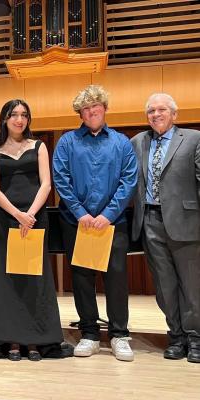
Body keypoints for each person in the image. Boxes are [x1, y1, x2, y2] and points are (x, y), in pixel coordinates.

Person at [53, 85, 137, 361]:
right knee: (82, 279)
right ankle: (89, 333)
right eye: (86, 109)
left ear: (105, 108)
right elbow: (61, 179)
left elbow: (128, 181)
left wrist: (107, 215)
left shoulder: (122, 142)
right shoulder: (67, 142)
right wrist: (81, 214)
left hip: (112, 223)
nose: (91, 112)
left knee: (116, 278)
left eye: (96, 106)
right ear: (80, 113)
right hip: (78, 223)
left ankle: (119, 335)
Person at [0, 99, 72, 361]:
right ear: (4, 119)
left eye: (24, 115)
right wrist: (17, 214)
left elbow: (46, 184)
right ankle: (11, 340)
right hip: (6, 219)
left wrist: (30, 214)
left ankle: (35, 340)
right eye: (14, 115)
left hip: (35, 219)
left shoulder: (39, 146)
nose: (19, 120)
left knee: (35, 278)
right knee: (8, 280)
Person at [131, 93, 200, 363]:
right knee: (164, 285)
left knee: (192, 284)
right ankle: (177, 336)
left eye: (161, 110)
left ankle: (196, 338)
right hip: (150, 220)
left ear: (174, 114)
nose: (156, 115)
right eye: (151, 111)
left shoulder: (193, 138)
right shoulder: (138, 141)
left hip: (186, 221)